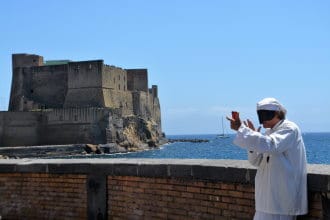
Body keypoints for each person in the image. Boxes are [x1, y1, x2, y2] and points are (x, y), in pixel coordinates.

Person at [227, 97, 308, 220]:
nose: (262, 120)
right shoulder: (269, 133)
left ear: (276, 114)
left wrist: (243, 130)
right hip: (265, 199)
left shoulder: (289, 128)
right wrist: (252, 143)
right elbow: (256, 161)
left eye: (265, 115)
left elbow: (271, 145)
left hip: (281, 198)